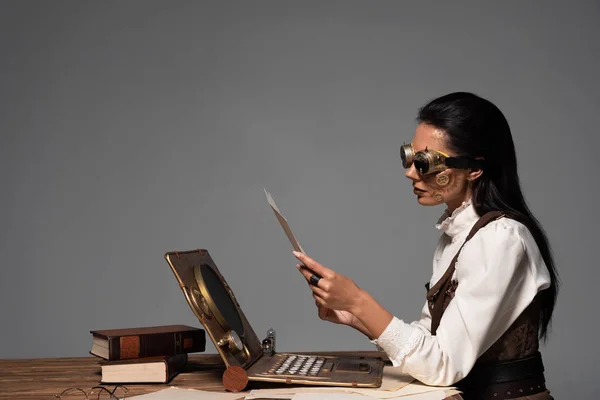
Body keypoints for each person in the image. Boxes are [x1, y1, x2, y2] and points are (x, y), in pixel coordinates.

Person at [293, 92, 558, 400]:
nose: (410, 172)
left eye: (425, 162)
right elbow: (430, 342)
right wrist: (358, 318)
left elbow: (443, 364)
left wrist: (358, 301)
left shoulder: (501, 240)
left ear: (474, 168)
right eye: (410, 157)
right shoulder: (458, 233)